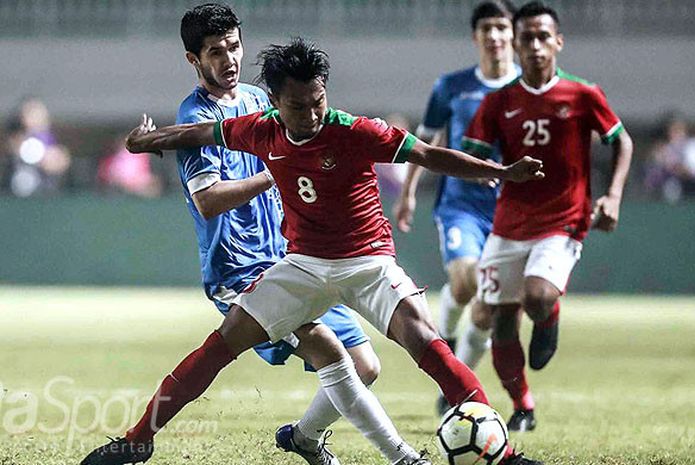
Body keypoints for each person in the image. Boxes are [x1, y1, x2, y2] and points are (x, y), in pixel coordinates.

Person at [86, 37, 546, 465]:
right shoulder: (261, 130)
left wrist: (502, 171)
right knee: (222, 344)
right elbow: (201, 134)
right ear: (277, 103)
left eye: (317, 102)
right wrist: (147, 142)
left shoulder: (356, 131)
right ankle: (138, 440)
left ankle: (501, 455)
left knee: (425, 340)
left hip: (367, 259)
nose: (310, 115)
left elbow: (426, 154)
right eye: (296, 106)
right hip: (304, 264)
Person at [81, 5, 425, 465]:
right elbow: (210, 200)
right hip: (239, 267)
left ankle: (303, 437)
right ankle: (405, 459)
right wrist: (274, 173)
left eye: (234, 46)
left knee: (365, 367)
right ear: (193, 60)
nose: (229, 59)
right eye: (215, 52)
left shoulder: (260, 99)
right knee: (320, 353)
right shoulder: (195, 115)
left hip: (292, 260)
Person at [463, 1, 634, 432]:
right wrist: (485, 172)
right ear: (516, 46)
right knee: (500, 319)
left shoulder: (582, 94)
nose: (536, 46)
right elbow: (475, 156)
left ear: (558, 41)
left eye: (544, 37)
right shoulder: (498, 102)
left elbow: (622, 142)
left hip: (564, 219)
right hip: (508, 223)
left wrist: (612, 196)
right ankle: (523, 406)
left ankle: (549, 316)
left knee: (537, 297)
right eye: (527, 38)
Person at [393, 0, 519, 414]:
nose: (496, 36)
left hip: (511, 213)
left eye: (502, 27)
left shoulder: (530, 89)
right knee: (465, 282)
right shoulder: (451, 86)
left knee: (487, 308)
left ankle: (455, 386)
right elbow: (424, 144)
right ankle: (443, 332)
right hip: (460, 205)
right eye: (488, 28)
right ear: (476, 36)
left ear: (513, 34)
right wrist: (410, 191)